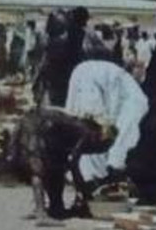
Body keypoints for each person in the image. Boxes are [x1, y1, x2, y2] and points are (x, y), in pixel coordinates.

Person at [63, 58, 150, 186]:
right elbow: (123, 130)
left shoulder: (124, 83)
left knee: (83, 126)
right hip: (93, 79)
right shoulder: (138, 99)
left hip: (81, 71)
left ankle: (87, 174)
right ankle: (95, 174)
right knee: (96, 129)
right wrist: (117, 162)